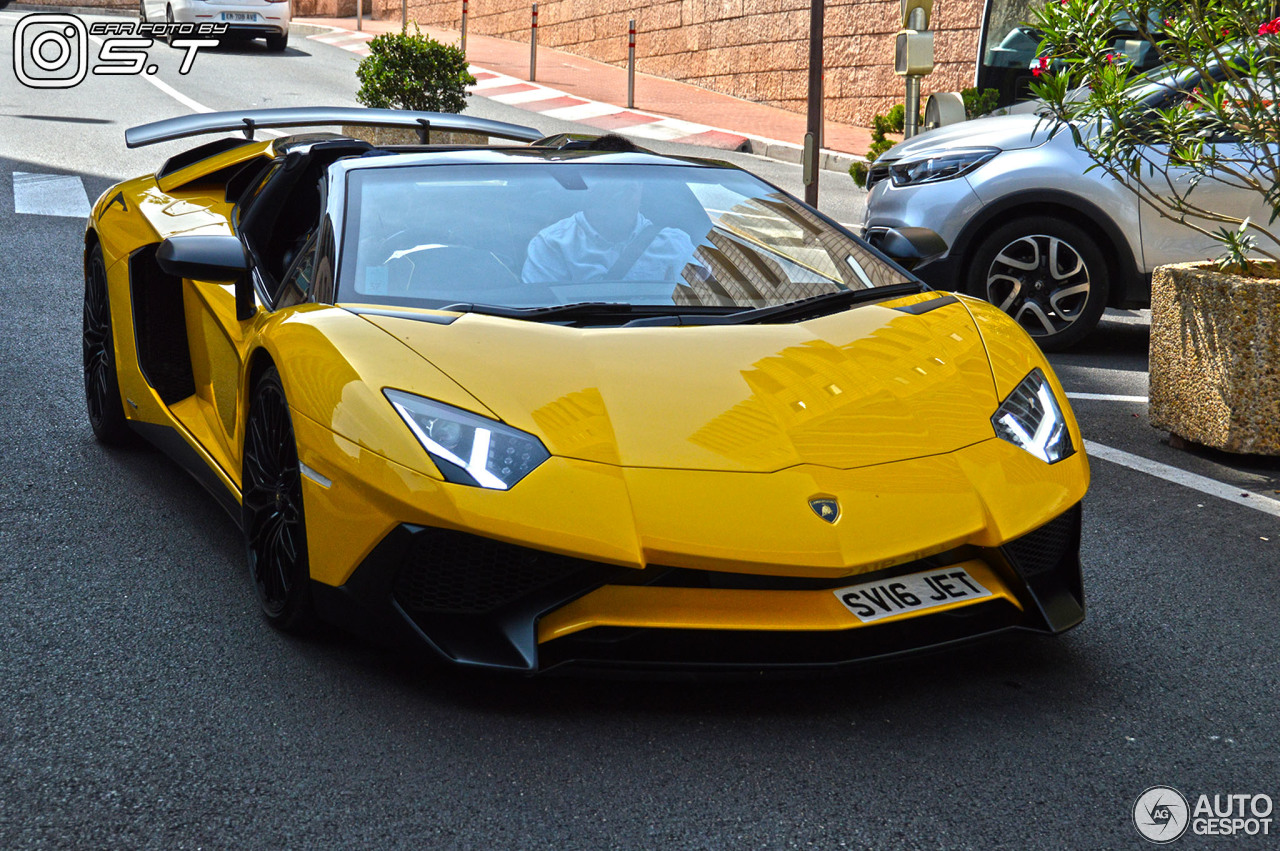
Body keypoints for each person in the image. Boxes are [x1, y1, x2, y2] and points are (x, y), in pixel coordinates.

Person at [522, 177, 696, 284]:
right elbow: (543, 318)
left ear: (640, 190)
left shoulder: (675, 244)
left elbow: (706, 300)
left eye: (628, 190)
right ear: (590, 189)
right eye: (612, 190)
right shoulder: (552, 244)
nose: (619, 200)